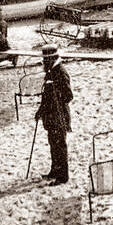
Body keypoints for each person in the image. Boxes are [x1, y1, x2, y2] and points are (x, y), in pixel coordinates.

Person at [37, 44, 72, 185]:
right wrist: (40, 111)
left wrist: (57, 93)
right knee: (53, 144)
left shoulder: (60, 71)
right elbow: (46, 96)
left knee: (60, 145)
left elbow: (68, 96)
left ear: (53, 58)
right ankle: (54, 171)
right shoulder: (50, 71)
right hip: (50, 116)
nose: (44, 63)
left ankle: (63, 176)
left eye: (46, 60)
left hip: (59, 116)